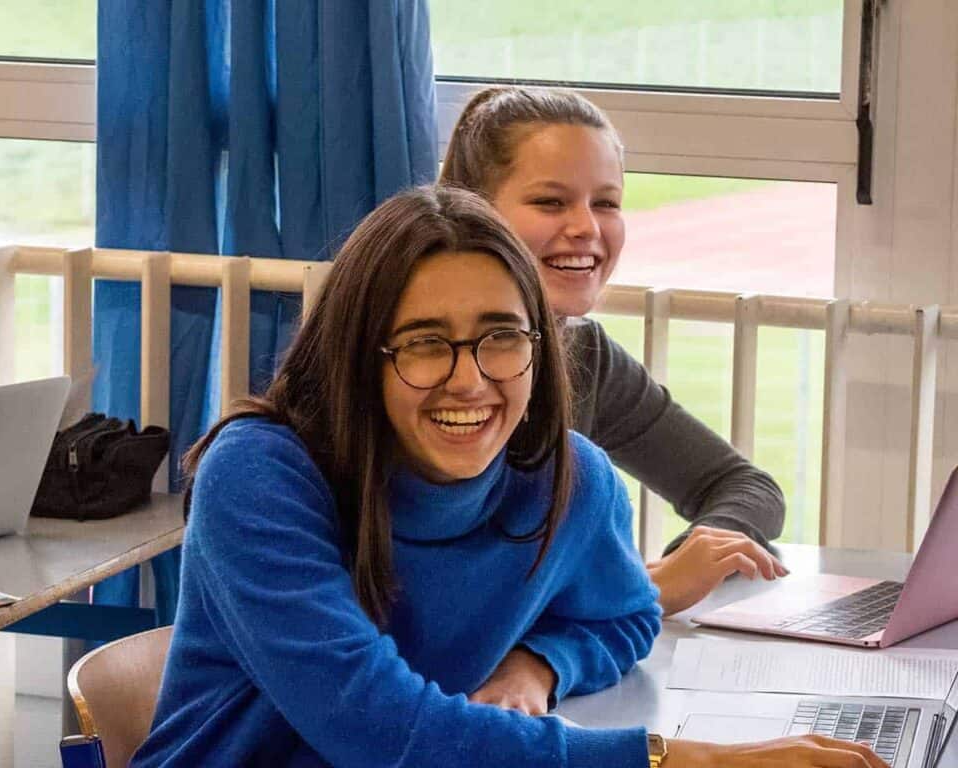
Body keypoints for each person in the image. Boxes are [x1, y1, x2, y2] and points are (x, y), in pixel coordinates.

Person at [132, 186, 884, 767]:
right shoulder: (261, 475)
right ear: (361, 358)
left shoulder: (569, 478)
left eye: (501, 338)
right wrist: (684, 759)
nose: (471, 381)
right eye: (426, 344)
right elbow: (380, 733)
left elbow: (622, 616)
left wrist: (540, 665)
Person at [439, 86, 789, 616]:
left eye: (605, 203)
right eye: (550, 202)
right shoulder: (417, 363)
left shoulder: (583, 354)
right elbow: (435, 593)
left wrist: (689, 562)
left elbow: (744, 486)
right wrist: (639, 591)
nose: (586, 228)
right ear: (471, 211)